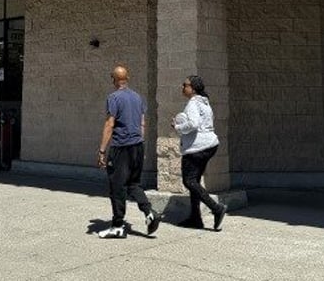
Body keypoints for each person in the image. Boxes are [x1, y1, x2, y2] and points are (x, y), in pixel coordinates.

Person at [96, 64, 161, 238]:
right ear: (127, 78)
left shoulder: (114, 98)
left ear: (114, 80)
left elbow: (110, 124)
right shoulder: (138, 98)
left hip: (121, 147)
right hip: (138, 145)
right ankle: (150, 212)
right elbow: (142, 124)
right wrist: (141, 146)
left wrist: (102, 150)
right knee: (133, 184)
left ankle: (117, 226)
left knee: (117, 186)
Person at [171, 75, 227, 231]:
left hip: (197, 147)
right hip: (210, 145)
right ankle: (195, 218)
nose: (183, 87)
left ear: (193, 88)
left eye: (185, 85)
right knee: (194, 181)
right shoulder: (205, 103)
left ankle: (216, 208)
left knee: (189, 181)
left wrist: (177, 127)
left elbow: (194, 124)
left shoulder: (193, 103)